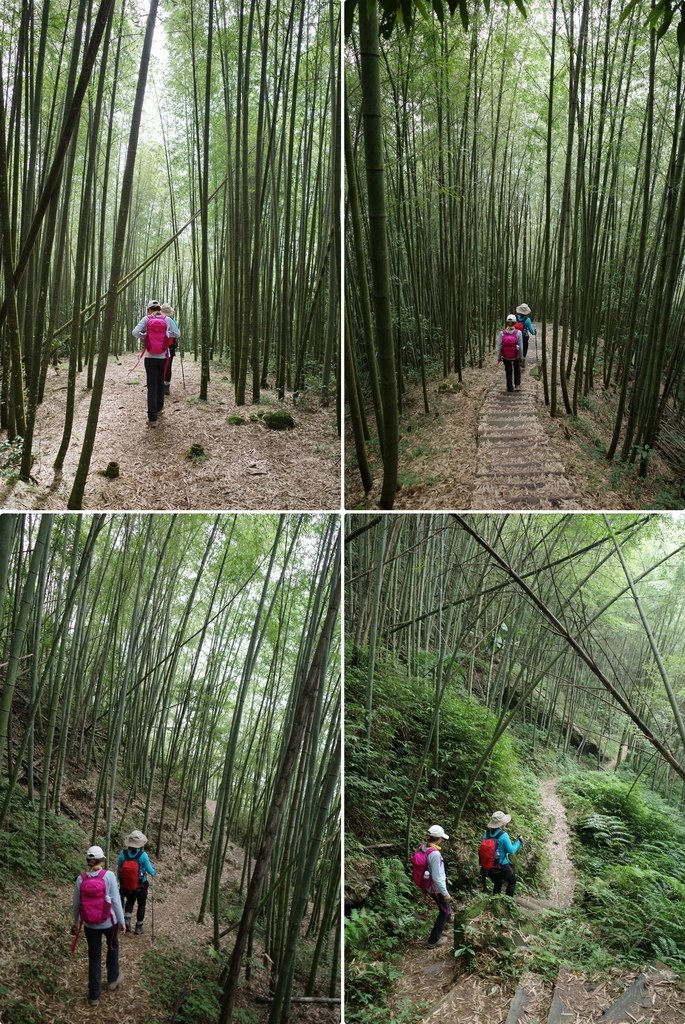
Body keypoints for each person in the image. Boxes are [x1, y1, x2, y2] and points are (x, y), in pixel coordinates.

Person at [72, 845, 125, 1006]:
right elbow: (116, 900)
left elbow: (76, 904)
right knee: (112, 947)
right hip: (109, 922)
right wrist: (122, 922)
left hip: (90, 924)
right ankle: (112, 980)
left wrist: (76, 921)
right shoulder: (108, 875)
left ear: (88, 861)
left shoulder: (81, 878)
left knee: (94, 957)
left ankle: (94, 995)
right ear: (102, 860)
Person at [132, 301, 180, 425]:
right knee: (160, 383)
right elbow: (177, 334)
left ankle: (152, 419)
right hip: (163, 356)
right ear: (160, 309)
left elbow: (135, 333)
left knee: (151, 386)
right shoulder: (168, 319)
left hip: (149, 357)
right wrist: (166, 334)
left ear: (149, 310)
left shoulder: (146, 319)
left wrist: (146, 335)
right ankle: (159, 409)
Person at [418, 825, 452, 947]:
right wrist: (445, 893)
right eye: (442, 838)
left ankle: (448, 918)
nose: (443, 841)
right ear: (437, 839)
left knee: (445, 908)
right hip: (436, 888)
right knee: (443, 911)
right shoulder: (435, 854)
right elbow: (438, 877)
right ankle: (433, 940)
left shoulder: (423, 847)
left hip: (428, 885)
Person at [117, 829, 156, 935]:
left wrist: (120, 881)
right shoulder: (143, 855)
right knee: (141, 905)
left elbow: (119, 870)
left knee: (130, 901)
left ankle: (127, 921)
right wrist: (154, 870)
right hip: (140, 886)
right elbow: (150, 871)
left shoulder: (123, 854)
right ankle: (138, 927)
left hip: (126, 886)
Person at [481, 811, 523, 896]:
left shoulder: (486, 834)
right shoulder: (503, 835)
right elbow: (511, 850)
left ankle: (495, 902)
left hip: (489, 867)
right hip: (502, 866)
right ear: (501, 824)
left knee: (497, 883)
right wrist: (519, 842)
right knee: (512, 881)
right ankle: (508, 903)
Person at [497, 315, 523, 392]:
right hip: (515, 356)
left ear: (507, 322)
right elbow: (521, 347)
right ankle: (517, 385)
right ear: (515, 323)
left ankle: (509, 387)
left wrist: (499, 357)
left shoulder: (502, 333)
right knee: (517, 368)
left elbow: (499, 346)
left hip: (505, 356)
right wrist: (521, 357)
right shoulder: (519, 333)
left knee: (508, 370)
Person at [160, 303, 180, 396]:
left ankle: (158, 385)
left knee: (159, 365)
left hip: (157, 346)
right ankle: (166, 386)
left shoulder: (153, 319)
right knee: (168, 366)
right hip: (169, 346)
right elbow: (177, 334)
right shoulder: (172, 321)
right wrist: (168, 334)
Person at [515, 303, 537, 368]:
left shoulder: (515, 317)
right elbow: (531, 331)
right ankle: (523, 360)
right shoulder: (527, 319)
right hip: (524, 337)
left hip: (515, 336)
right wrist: (535, 332)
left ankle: (516, 359)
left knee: (516, 347)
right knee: (524, 348)